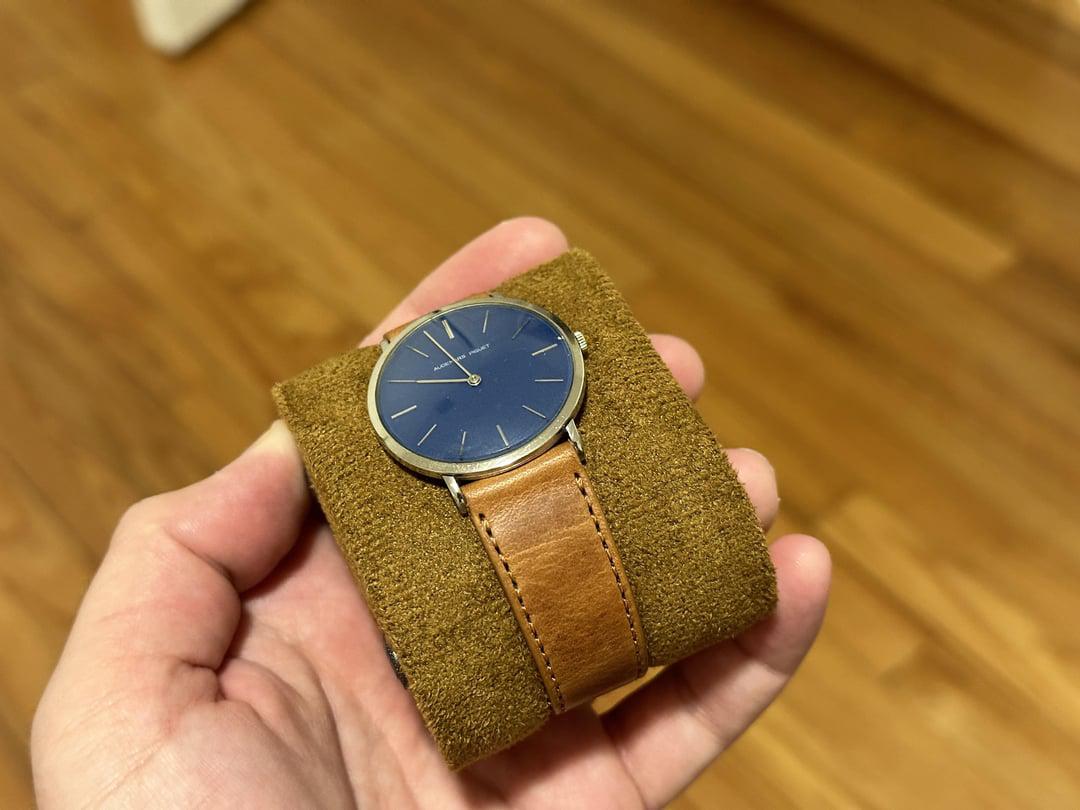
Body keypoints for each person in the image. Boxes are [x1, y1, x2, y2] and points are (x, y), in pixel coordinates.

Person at [32, 218, 831, 808]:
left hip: (540, 443)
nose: (472, 380)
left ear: (578, 349)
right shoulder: (403, 437)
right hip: (472, 473)